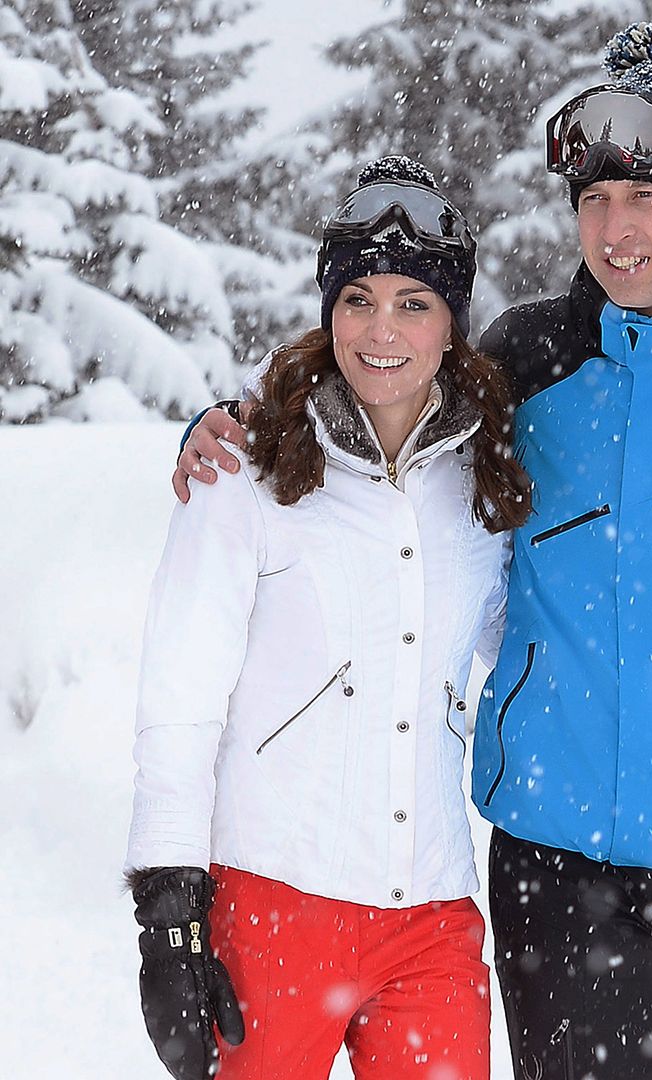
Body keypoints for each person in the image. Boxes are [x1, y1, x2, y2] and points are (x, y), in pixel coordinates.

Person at [174, 23, 652, 1080]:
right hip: (553, 873)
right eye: (593, 202)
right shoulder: (527, 361)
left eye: (646, 199)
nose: (614, 231)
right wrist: (236, 424)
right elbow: (382, 398)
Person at [126, 155, 530, 1080]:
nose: (381, 329)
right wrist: (168, 911)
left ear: (453, 323)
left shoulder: (487, 478)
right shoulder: (246, 472)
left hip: (432, 913)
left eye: (414, 304)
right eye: (358, 298)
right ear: (328, 310)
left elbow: (530, 653)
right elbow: (179, 697)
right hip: (275, 903)